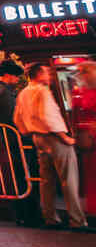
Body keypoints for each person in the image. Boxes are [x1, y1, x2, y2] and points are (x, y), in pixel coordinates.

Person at [14, 63, 90, 231]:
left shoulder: (23, 93)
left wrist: (29, 131)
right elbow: (48, 117)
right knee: (68, 179)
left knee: (46, 180)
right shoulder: (42, 91)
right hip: (54, 137)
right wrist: (64, 137)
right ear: (39, 74)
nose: (49, 76)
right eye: (47, 73)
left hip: (37, 138)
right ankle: (77, 221)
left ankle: (50, 218)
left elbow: (17, 118)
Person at [0, 60, 31, 225]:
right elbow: (11, 118)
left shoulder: (1, 89)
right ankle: (25, 214)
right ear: (7, 75)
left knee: (20, 175)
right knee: (21, 175)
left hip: (11, 138)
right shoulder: (2, 91)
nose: (17, 79)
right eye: (15, 76)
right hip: (14, 139)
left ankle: (23, 213)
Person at [73, 61, 96, 217]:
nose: (80, 75)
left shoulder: (83, 92)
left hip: (89, 135)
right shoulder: (81, 91)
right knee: (90, 173)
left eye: (82, 72)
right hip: (88, 137)